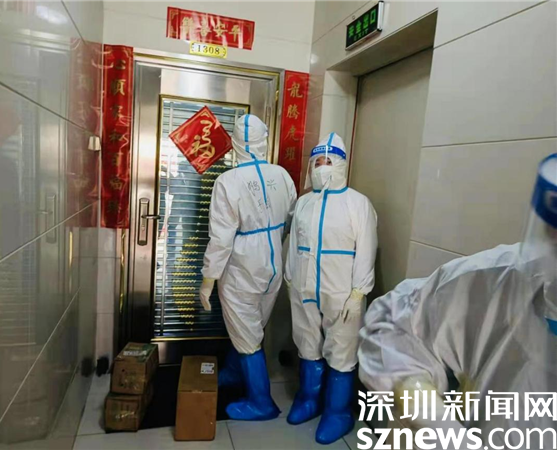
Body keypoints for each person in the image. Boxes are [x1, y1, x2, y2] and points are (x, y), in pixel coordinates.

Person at [358, 154, 557, 449]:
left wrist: (357, 287)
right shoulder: (502, 281)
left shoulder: (356, 205)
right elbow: (393, 324)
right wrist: (435, 420)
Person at [199, 114, 297, 421]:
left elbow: (221, 238)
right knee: (250, 326)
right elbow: (291, 219)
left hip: (241, 267)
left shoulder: (227, 181)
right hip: (273, 264)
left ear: (235, 143)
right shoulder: (282, 175)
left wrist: (208, 279)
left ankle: (261, 402)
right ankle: (233, 371)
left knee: (247, 332)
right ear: (264, 140)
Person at [285, 132, 378, 444]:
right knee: (307, 343)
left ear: (340, 164)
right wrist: (290, 278)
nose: (321, 167)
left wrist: (358, 292)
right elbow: (293, 245)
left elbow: (366, 249)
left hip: (342, 293)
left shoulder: (358, 204)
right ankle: (308, 400)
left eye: (327, 161)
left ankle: (337, 412)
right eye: (316, 162)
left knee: (342, 350)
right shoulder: (304, 203)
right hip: (304, 288)